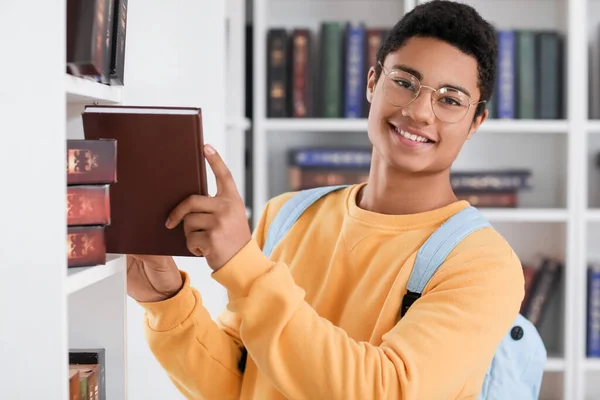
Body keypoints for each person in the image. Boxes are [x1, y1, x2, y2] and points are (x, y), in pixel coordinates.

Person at [126, 1, 525, 399]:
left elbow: (383, 391)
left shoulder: (483, 264)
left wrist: (242, 266)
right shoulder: (285, 216)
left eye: (450, 100)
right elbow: (240, 383)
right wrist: (166, 301)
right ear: (372, 83)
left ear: (476, 122)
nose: (419, 112)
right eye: (404, 82)